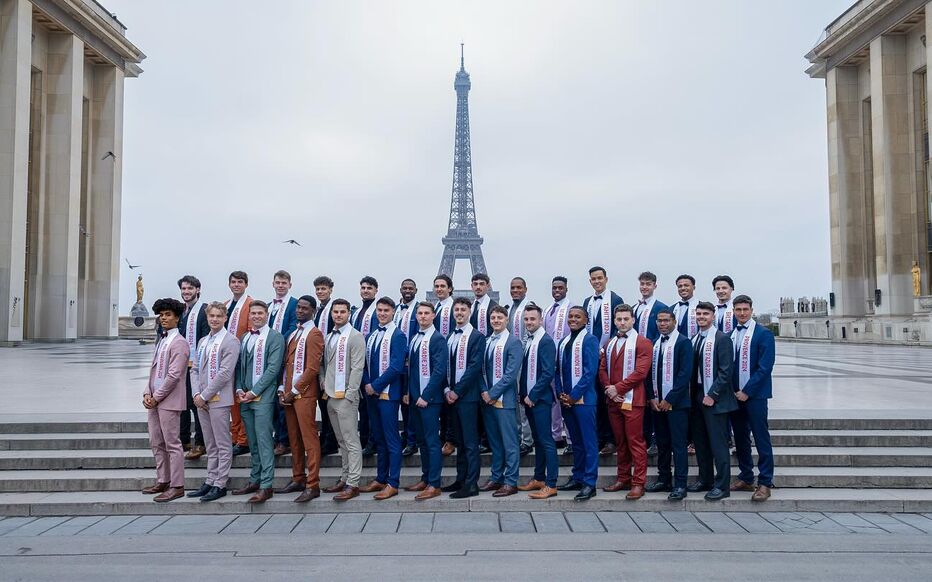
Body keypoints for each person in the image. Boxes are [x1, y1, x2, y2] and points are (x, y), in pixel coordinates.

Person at [230, 301, 284, 504]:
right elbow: (240, 367)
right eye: (253, 313)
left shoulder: (275, 337)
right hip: (245, 398)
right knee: (252, 442)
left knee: (263, 441)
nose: (256, 316)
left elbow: (273, 369)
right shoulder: (244, 338)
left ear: (266, 314)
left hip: (263, 398)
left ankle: (266, 485)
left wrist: (254, 392)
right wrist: (239, 389)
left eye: (260, 313)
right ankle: (255, 479)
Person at [274, 295, 325, 503]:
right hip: (288, 393)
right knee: (293, 439)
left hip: (303, 394)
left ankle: (313, 484)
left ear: (313, 311)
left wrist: (294, 390)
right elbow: (287, 364)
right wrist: (281, 388)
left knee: (309, 439)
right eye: (299, 308)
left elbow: (312, 368)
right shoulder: (294, 333)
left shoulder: (314, 334)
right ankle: (298, 477)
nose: (300, 311)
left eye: (305, 308)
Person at [187, 301, 240, 503]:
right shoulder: (202, 341)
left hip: (218, 399)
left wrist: (205, 395)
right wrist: (196, 395)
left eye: (219, 316)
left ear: (225, 318)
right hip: (201, 400)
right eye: (212, 316)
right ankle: (210, 480)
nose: (215, 319)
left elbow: (225, 373)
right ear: (207, 318)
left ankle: (221, 483)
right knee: (210, 443)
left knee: (222, 443)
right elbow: (194, 369)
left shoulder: (230, 341)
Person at [599, 304, 652, 501]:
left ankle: (639, 483)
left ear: (633, 320)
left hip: (633, 400)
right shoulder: (610, 343)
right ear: (614, 321)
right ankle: (623, 478)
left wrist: (618, 389)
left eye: (626, 319)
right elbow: (602, 369)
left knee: (635, 442)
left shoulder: (643, 342)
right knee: (620, 442)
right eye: (619, 319)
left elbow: (641, 372)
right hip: (614, 400)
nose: (622, 322)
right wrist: (610, 390)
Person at [729, 294, 776, 502]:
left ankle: (765, 481)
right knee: (740, 438)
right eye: (738, 310)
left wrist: (747, 390)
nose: (741, 313)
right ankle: (746, 476)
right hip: (735, 396)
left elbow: (765, 367)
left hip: (755, 396)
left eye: (745, 310)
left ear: (751, 310)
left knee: (760, 437)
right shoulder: (730, 334)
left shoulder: (763, 334)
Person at [142, 298, 190, 503]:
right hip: (154, 399)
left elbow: (174, 375)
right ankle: (163, 479)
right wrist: (146, 393)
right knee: (156, 442)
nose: (164, 318)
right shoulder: (161, 340)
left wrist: (156, 397)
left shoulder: (180, 343)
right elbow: (153, 371)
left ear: (177, 318)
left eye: (168, 315)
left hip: (168, 401)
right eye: (161, 315)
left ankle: (177, 485)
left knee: (172, 444)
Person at [359, 297, 407, 500]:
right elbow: (364, 364)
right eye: (379, 310)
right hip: (372, 394)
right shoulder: (370, 335)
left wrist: (376, 386)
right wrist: (368, 384)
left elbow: (396, 366)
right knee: (378, 438)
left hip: (388, 394)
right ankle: (380, 478)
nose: (382, 313)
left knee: (391, 439)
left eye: (386, 310)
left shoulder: (398, 336)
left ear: (393, 311)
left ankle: (393, 482)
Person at [689, 301, 737, 501]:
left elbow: (726, 372)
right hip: (697, 395)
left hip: (714, 398)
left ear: (713, 316)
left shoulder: (722, 339)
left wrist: (713, 394)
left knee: (718, 444)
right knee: (700, 442)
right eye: (698, 314)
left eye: (705, 314)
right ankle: (705, 479)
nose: (701, 317)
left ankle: (722, 485)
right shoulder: (694, 339)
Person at [320, 299, 367, 501]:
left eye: (342, 312)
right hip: (330, 395)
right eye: (335, 312)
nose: (338, 315)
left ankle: (353, 482)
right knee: (341, 441)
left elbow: (358, 367)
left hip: (346, 396)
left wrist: (350, 394)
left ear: (349, 313)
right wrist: (322, 381)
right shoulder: (329, 336)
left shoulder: (355, 337)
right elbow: (324, 364)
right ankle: (345, 477)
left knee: (351, 440)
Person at [645, 309, 693, 501]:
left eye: (666, 320)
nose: (662, 324)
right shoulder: (655, 343)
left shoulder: (683, 342)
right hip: (657, 403)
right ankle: (664, 478)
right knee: (662, 444)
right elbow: (649, 373)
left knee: (678, 445)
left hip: (677, 404)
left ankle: (680, 484)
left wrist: (670, 399)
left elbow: (684, 374)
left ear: (674, 321)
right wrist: (652, 397)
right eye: (659, 321)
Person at [440, 297, 486, 499]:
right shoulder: (450, 336)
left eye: (463, 310)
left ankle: (471, 484)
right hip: (452, 396)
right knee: (459, 441)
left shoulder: (476, 336)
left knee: (470, 441)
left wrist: (457, 390)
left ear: (469, 313)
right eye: (456, 309)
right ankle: (461, 478)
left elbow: (475, 367)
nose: (459, 312)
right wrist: (447, 389)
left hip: (467, 397)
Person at [555, 306, 600, 501]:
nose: (573, 319)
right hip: (567, 401)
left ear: (585, 320)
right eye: (571, 316)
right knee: (576, 443)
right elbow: (558, 371)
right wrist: (561, 393)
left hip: (584, 400)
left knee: (589, 443)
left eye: (577, 317)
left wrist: (574, 395)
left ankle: (590, 483)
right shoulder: (564, 341)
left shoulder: (590, 340)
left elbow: (590, 372)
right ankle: (578, 476)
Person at [404, 302, 448, 500]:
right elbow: (410, 369)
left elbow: (439, 371)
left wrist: (426, 396)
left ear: (433, 316)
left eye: (426, 313)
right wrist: (409, 393)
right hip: (414, 398)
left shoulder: (438, 339)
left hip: (429, 400)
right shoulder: (414, 337)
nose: (422, 316)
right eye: (419, 313)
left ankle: (434, 483)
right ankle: (425, 477)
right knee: (421, 441)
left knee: (431, 442)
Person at [478, 306, 523, 497]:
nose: (495, 320)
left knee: (510, 443)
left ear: (507, 320)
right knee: (495, 443)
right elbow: (480, 370)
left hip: (505, 400)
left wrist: (493, 393)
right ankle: (496, 477)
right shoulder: (487, 341)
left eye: (499, 317)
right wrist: (483, 391)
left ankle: (511, 481)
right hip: (487, 400)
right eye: (493, 318)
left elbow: (511, 373)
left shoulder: (513, 342)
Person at [517, 304, 559, 499]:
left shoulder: (546, 341)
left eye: (532, 319)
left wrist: (532, 395)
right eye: (526, 319)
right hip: (529, 399)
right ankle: (539, 478)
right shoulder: (530, 340)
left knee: (546, 441)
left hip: (539, 399)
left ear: (541, 320)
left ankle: (551, 484)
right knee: (538, 441)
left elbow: (548, 372)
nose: (529, 322)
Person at [580, 266, 623, 456]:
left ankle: (611, 439)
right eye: (593, 279)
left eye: (599, 278)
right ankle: (597, 437)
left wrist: (605, 348)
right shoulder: (587, 302)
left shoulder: (615, 300)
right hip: (591, 358)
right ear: (590, 282)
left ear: (606, 279)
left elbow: (619, 326)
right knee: (594, 398)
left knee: (607, 397)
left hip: (608, 356)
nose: (597, 282)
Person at [633, 271, 668, 456]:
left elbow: (662, 331)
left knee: (653, 395)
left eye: (648, 284)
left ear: (655, 286)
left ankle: (655, 437)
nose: (645, 287)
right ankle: (644, 435)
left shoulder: (661, 307)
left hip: (654, 357)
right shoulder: (635, 307)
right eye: (642, 284)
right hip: (636, 358)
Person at [177, 275, 208, 461]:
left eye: (190, 288)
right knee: (181, 404)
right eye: (183, 289)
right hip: (181, 366)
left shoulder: (204, 311)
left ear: (197, 289)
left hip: (197, 366)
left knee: (197, 405)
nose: (186, 292)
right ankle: (183, 440)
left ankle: (200, 443)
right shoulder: (181, 312)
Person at [269, 270, 298, 457]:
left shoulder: (294, 304)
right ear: (273, 284)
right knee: (271, 399)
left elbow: (293, 326)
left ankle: (284, 439)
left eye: (284, 283)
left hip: (286, 355)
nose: (280, 285)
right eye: (278, 282)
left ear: (289, 285)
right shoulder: (269, 305)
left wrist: (275, 342)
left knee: (282, 400)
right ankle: (276, 435)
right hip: (269, 358)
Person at [351, 276, 380, 457]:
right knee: (362, 407)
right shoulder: (357, 312)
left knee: (371, 409)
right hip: (357, 364)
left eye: (369, 288)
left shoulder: (378, 311)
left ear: (376, 290)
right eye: (363, 287)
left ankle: (372, 442)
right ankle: (364, 440)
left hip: (372, 364)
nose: (366, 290)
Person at [543, 276, 573, 451]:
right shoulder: (548, 310)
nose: (557, 291)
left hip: (566, 361)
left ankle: (569, 437)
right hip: (550, 362)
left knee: (565, 399)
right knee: (553, 399)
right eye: (554, 288)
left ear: (566, 289)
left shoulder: (571, 309)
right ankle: (556, 435)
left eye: (560, 288)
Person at [225, 271, 252, 456]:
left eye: (240, 282)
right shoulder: (226, 305)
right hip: (227, 360)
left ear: (246, 284)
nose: (236, 285)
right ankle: (235, 436)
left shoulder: (250, 305)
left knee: (241, 399)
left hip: (244, 360)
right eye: (233, 282)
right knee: (231, 401)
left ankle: (244, 439)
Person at [507, 277, 534, 456]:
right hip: (513, 361)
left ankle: (527, 440)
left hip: (523, 361)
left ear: (525, 289)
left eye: (519, 287)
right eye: (513, 288)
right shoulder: (512, 309)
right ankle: (519, 437)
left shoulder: (528, 307)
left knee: (523, 402)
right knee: (515, 402)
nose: (515, 290)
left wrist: (519, 354)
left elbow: (528, 334)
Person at [394, 278, 420, 455]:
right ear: (400, 290)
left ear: (416, 290)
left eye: (411, 288)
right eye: (405, 288)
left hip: (410, 363)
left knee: (409, 402)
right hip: (395, 363)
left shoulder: (419, 311)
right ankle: (406, 436)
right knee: (401, 401)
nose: (407, 290)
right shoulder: (395, 309)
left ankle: (412, 439)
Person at [313, 275, 339, 457]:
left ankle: (331, 440)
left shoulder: (333, 309)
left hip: (331, 361)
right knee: (323, 403)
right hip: (318, 361)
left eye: (324, 289)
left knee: (329, 403)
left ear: (330, 289)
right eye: (318, 289)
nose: (321, 292)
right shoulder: (318, 310)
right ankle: (326, 437)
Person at [672, 274, 700, 339]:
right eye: (680, 286)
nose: (683, 288)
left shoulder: (702, 308)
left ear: (694, 287)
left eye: (686, 285)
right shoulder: (672, 309)